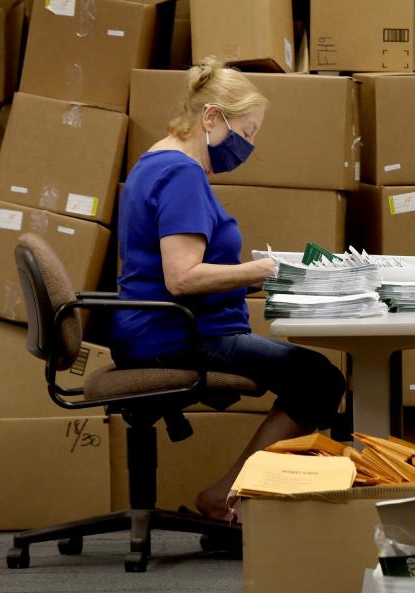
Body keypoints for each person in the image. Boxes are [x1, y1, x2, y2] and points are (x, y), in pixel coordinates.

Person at [111, 57, 345, 521]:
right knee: (320, 379)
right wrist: (262, 270)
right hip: (176, 335)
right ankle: (230, 495)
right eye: (248, 132)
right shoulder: (181, 174)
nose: (248, 145)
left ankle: (234, 492)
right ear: (212, 117)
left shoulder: (153, 163)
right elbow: (182, 277)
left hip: (157, 329)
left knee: (306, 374)